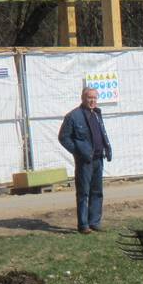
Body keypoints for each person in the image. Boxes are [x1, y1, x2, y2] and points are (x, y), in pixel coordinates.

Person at [59, 87, 113, 234]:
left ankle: (94, 222)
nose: (92, 101)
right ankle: (83, 225)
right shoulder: (73, 116)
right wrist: (78, 151)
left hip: (98, 159)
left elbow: (101, 134)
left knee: (97, 192)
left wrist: (107, 149)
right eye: (90, 98)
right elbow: (63, 137)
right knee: (83, 193)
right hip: (85, 161)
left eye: (95, 98)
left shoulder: (97, 114)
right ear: (83, 98)